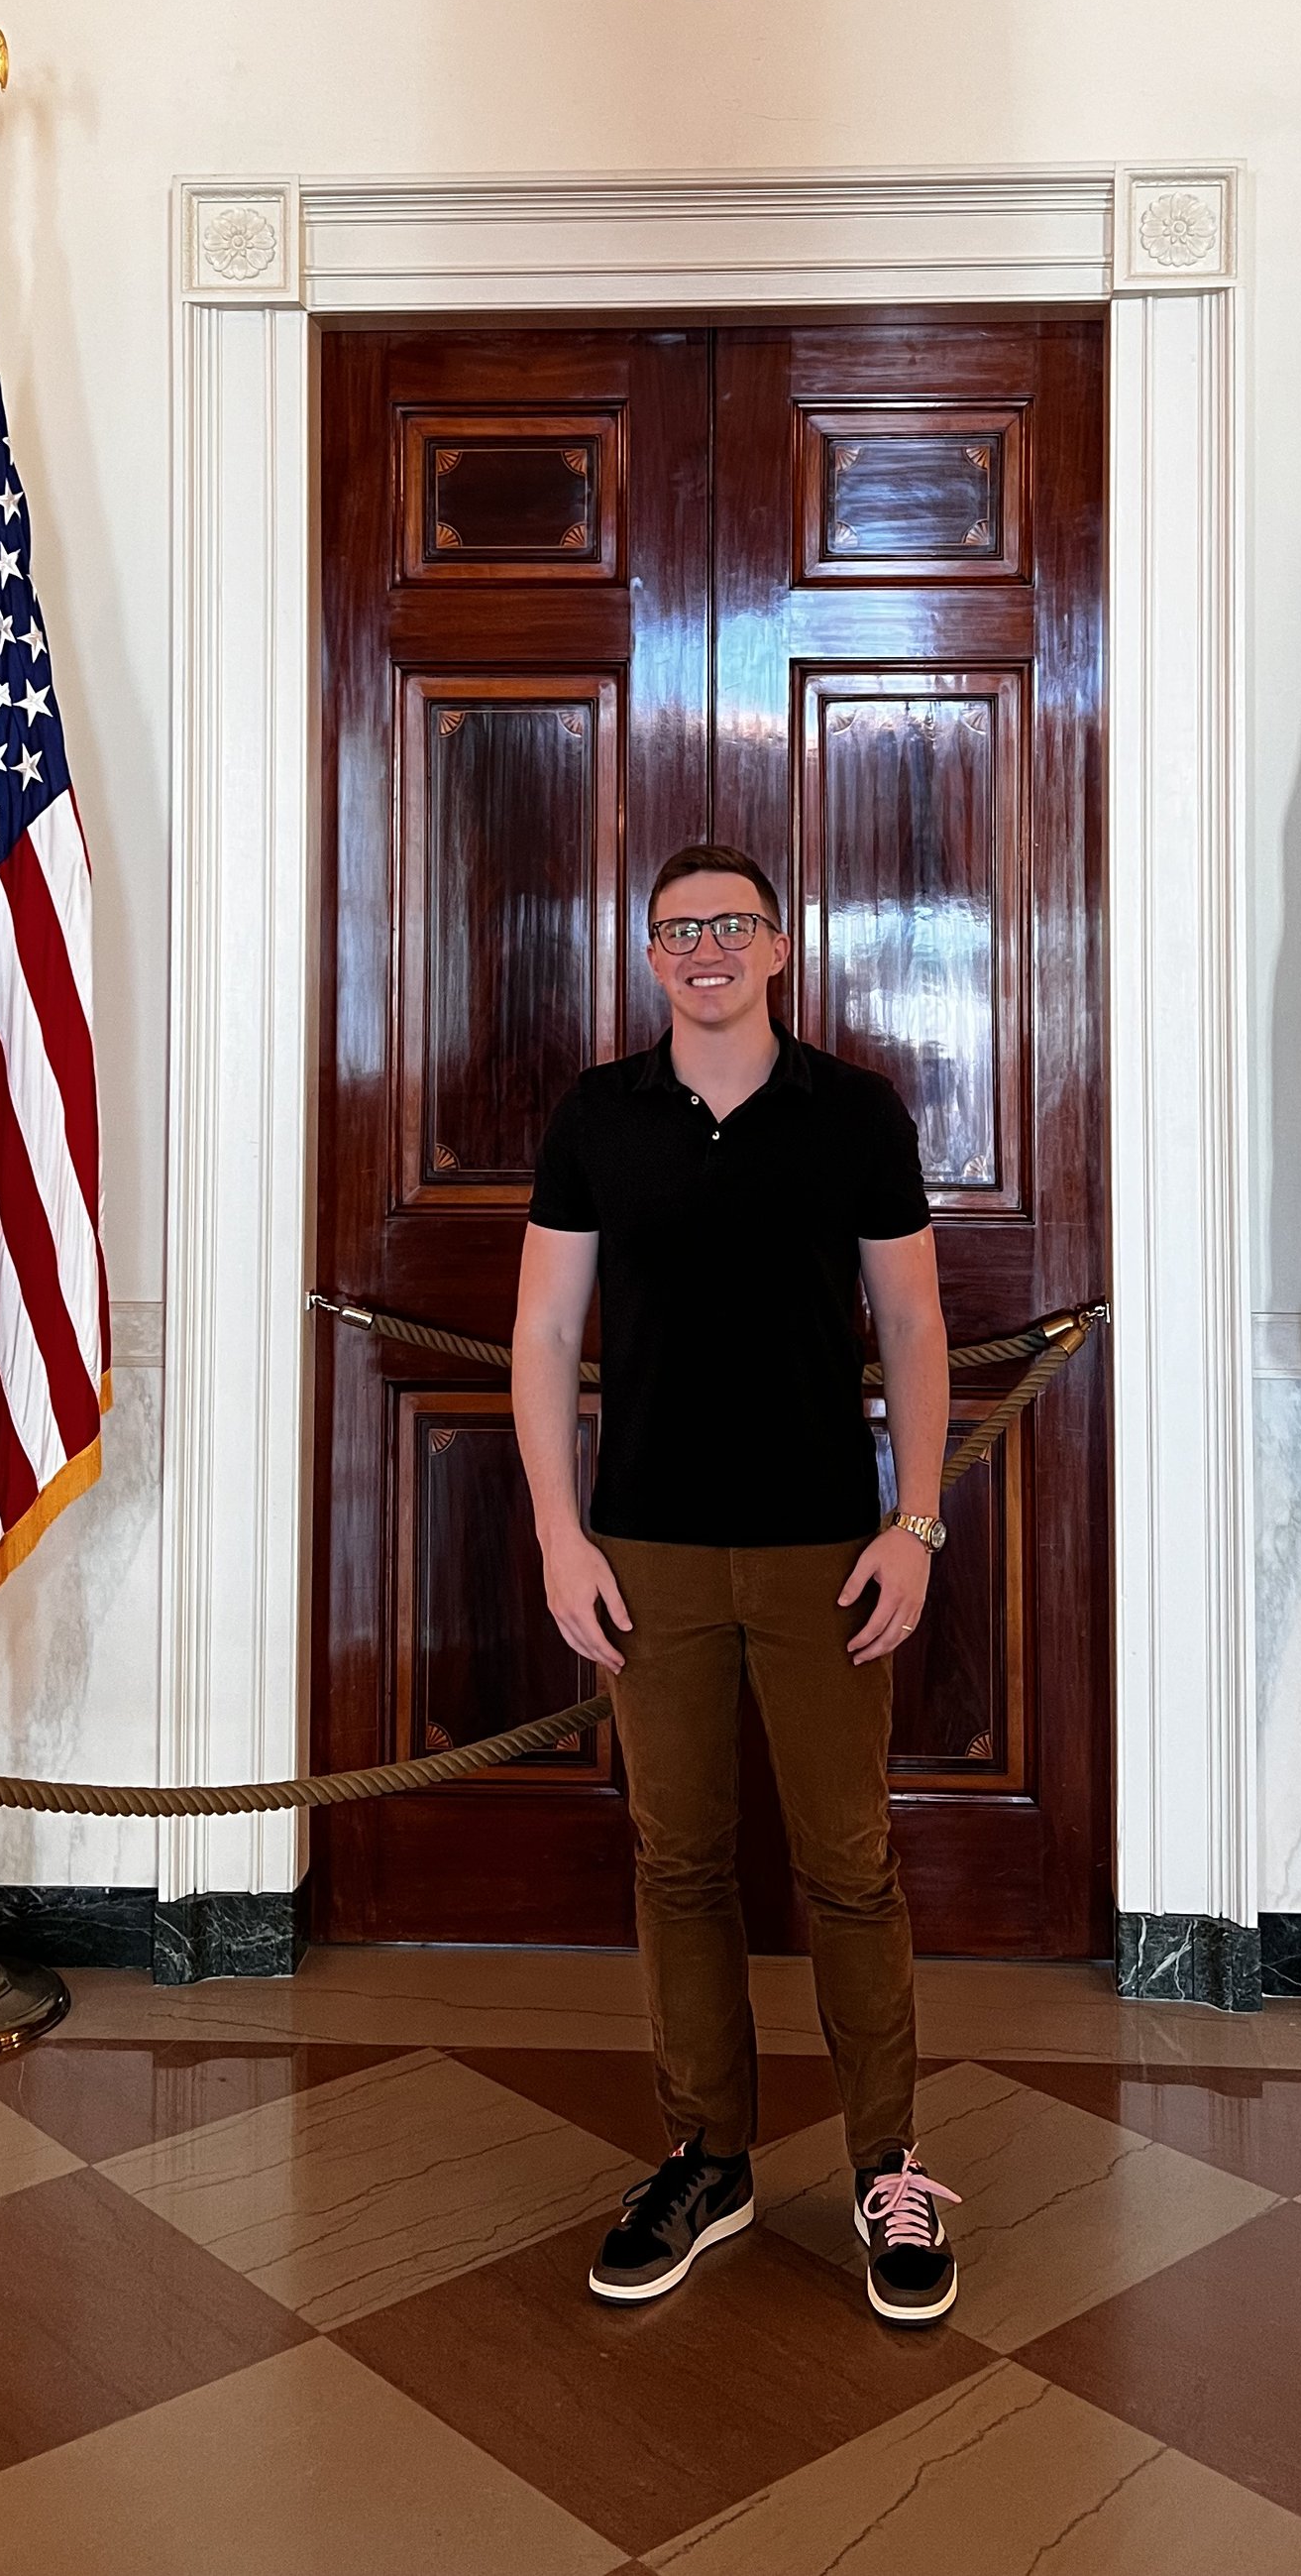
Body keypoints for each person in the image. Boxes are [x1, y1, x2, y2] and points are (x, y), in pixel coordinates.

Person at [511, 840, 961, 2323]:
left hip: (826, 1550)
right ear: (650, 958)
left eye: (731, 926)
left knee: (849, 1864)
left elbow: (911, 1321)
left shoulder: (855, 1113)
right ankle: (709, 2153)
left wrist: (917, 1522)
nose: (703, 948)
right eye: (675, 930)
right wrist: (561, 1534)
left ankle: (889, 2162)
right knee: (681, 1860)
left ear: (779, 948)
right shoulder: (596, 1117)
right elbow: (542, 1334)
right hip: (644, 1546)